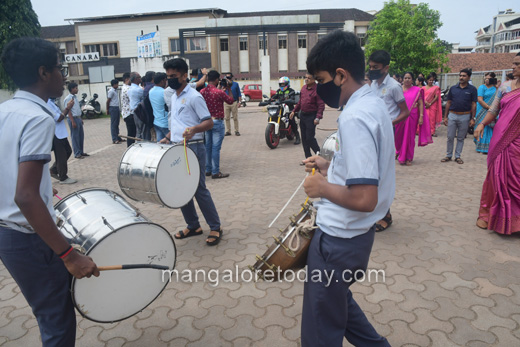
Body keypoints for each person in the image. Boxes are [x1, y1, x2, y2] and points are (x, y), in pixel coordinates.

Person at [0, 36, 99, 347]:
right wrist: (69, 255)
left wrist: (43, 186)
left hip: (8, 234)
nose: (63, 75)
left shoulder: (6, 111)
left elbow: (17, 179)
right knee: (56, 320)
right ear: (44, 73)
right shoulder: (37, 118)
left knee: (48, 312)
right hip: (28, 238)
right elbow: (25, 196)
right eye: (61, 68)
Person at [301, 30, 393, 347]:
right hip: (354, 239)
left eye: (321, 78)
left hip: (338, 240)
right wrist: (332, 167)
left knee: (319, 326)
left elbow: (365, 197)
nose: (317, 86)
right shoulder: (373, 102)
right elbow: (366, 169)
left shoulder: (354, 116)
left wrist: (322, 188)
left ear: (341, 75)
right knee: (336, 304)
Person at [159, 58, 224, 246]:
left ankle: (215, 226)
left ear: (185, 76)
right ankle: (193, 225)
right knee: (181, 188)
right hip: (177, 147)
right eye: (168, 76)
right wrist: (168, 135)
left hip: (194, 147)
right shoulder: (173, 96)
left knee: (198, 189)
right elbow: (179, 122)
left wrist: (194, 130)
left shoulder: (195, 96)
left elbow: (209, 122)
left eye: (174, 76)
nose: (170, 79)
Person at [475, 52, 520, 235]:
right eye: (514, 63)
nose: (513, 66)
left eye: (517, 64)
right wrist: (482, 124)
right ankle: (490, 215)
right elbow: (494, 109)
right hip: (500, 136)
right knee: (496, 176)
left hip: (517, 141)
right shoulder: (505, 87)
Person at [368, 49, 409, 232]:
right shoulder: (372, 85)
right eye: (370, 67)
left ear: (386, 67)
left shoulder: (393, 86)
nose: (372, 70)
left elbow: (405, 111)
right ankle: (373, 212)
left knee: (383, 175)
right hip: (371, 134)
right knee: (371, 174)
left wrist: (388, 123)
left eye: (376, 67)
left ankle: (386, 215)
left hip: (386, 134)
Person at [200, 70, 235, 178]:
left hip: (206, 122)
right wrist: (229, 89)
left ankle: (208, 169)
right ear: (216, 80)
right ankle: (216, 172)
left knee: (207, 146)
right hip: (217, 121)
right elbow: (230, 101)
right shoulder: (219, 92)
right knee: (215, 148)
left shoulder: (202, 92)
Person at [441, 68, 478, 164]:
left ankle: (457, 156)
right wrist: (445, 117)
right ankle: (448, 155)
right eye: (460, 75)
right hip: (452, 115)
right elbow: (448, 103)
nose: (461, 77)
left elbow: (474, 104)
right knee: (450, 137)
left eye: (464, 76)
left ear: (469, 77)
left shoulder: (472, 89)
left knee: (461, 138)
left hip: (465, 116)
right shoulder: (453, 88)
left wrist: (472, 118)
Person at [395, 72, 432, 166]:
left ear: (412, 80)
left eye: (409, 78)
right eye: (405, 78)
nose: (407, 79)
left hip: (412, 115)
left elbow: (420, 103)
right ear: (402, 79)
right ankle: (399, 151)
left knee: (410, 137)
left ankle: (408, 158)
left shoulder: (417, 90)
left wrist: (421, 116)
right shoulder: (398, 89)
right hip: (399, 116)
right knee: (398, 136)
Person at [290, 73, 325, 158]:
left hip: (311, 116)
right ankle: (308, 158)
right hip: (303, 115)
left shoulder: (317, 90)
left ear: (314, 80)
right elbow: (300, 102)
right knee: (304, 139)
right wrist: (294, 111)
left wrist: (317, 117)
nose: (306, 79)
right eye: (305, 77)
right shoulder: (303, 89)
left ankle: (319, 155)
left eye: (309, 78)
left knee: (310, 138)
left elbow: (321, 105)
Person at [48, 98, 77, 184]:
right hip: (55, 133)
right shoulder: (48, 103)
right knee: (61, 155)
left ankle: (53, 170)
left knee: (68, 151)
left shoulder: (53, 103)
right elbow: (59, 118)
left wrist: (68, 108)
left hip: (61, 133)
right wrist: (68, 108)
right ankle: (63, 177)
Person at [271, 76, 301, 144]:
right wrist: (270, 99)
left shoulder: (291, 91)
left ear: (287, 84)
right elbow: (275, 97)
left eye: (283, 84)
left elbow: (293, 99)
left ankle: (297, 136)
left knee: (291, 120)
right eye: (281, 84)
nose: (282, 86)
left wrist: (289, 100)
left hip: (289, 108)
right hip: (280, 108)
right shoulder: (279, 91)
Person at [473, 72, 498, 154]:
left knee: (489, 128)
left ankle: (488, 147)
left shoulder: (496, 88)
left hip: (492, 110)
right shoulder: (482, 87)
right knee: (482, 126)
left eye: (488, 78)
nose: (486, 79)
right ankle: (480, 147)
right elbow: (480, 99)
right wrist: (488, 107)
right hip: (482, 109)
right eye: (485, 78)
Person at [63, 82, 88, 159]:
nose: (77, 89)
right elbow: (69, 110)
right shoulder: (68, 98)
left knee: (80, 136)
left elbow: (77, 109)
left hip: (78, 118)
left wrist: (80, 119)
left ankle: (81, 151)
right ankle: (77, 153)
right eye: (75, 88)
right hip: (73, 118)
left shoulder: (75, 98)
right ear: (71, 89)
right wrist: (72, 121)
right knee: (75, 137)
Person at [149, 72, 169, 142]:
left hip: (157, 122)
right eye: (166, 80)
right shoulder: (164, 92)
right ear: (162, 81)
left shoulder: (151, 91)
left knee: (160, 146)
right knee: (170, 146)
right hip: (166, 123)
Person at [128, 72, 148, 140]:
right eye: (139, 77)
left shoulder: (130, 88)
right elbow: (144, 100)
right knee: (142, 131)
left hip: (134, 111)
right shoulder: (138, 90)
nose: (141, 79)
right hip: (139, 111)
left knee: (138, 130)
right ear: (136, 79)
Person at [121, 72, 136, 147]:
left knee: (132, 133)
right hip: (129, 114)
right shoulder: (127, 89)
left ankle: (130, 147)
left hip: (127, 113)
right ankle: (130, 148)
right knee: (131, 134)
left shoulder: (125, 87)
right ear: (127, 79)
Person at [106, 79, 122, 144]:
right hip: (113, 108)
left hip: (116, 107)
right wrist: (107, 109)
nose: (118, 85)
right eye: (117, 84)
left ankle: (118, 136)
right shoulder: (111, 91)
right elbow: (108, 101)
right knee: (113, 124)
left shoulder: (115, 91)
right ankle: (114, 138)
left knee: (117, 123)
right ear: (114, 84)